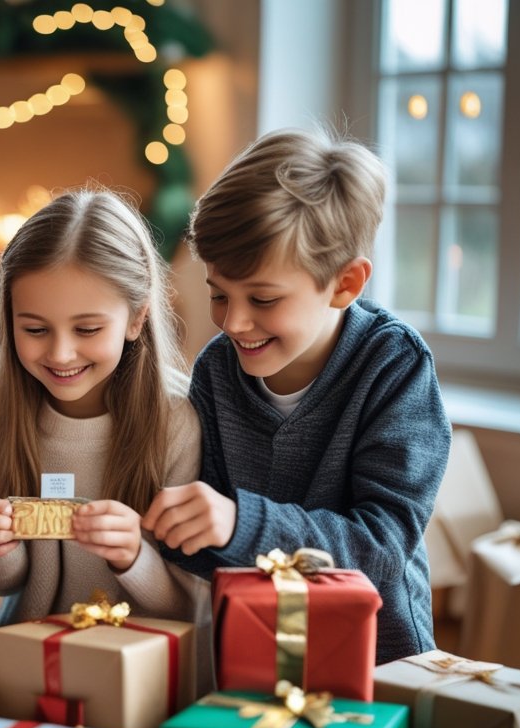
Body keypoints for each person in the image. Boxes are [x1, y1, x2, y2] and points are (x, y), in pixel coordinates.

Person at [142, 127, 450, 664]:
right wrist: (169, 531)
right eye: (218, 293)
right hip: (256, 651)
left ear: (345, 284)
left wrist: (241, 522)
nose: (234, 321)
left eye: (262, 298)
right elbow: (212, 541)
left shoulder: (394, 366)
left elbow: (380, 547)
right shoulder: (217, 370)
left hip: (383, 659)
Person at [0, 189, 212, 690]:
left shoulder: (176, 422)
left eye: (86, 328)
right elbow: (7, 584)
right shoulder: (5, 417)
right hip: (29, 660)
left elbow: (192, 602)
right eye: (34, 328)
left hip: (138, 668)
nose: (60, 353)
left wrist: (133, 556)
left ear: (137, 317)